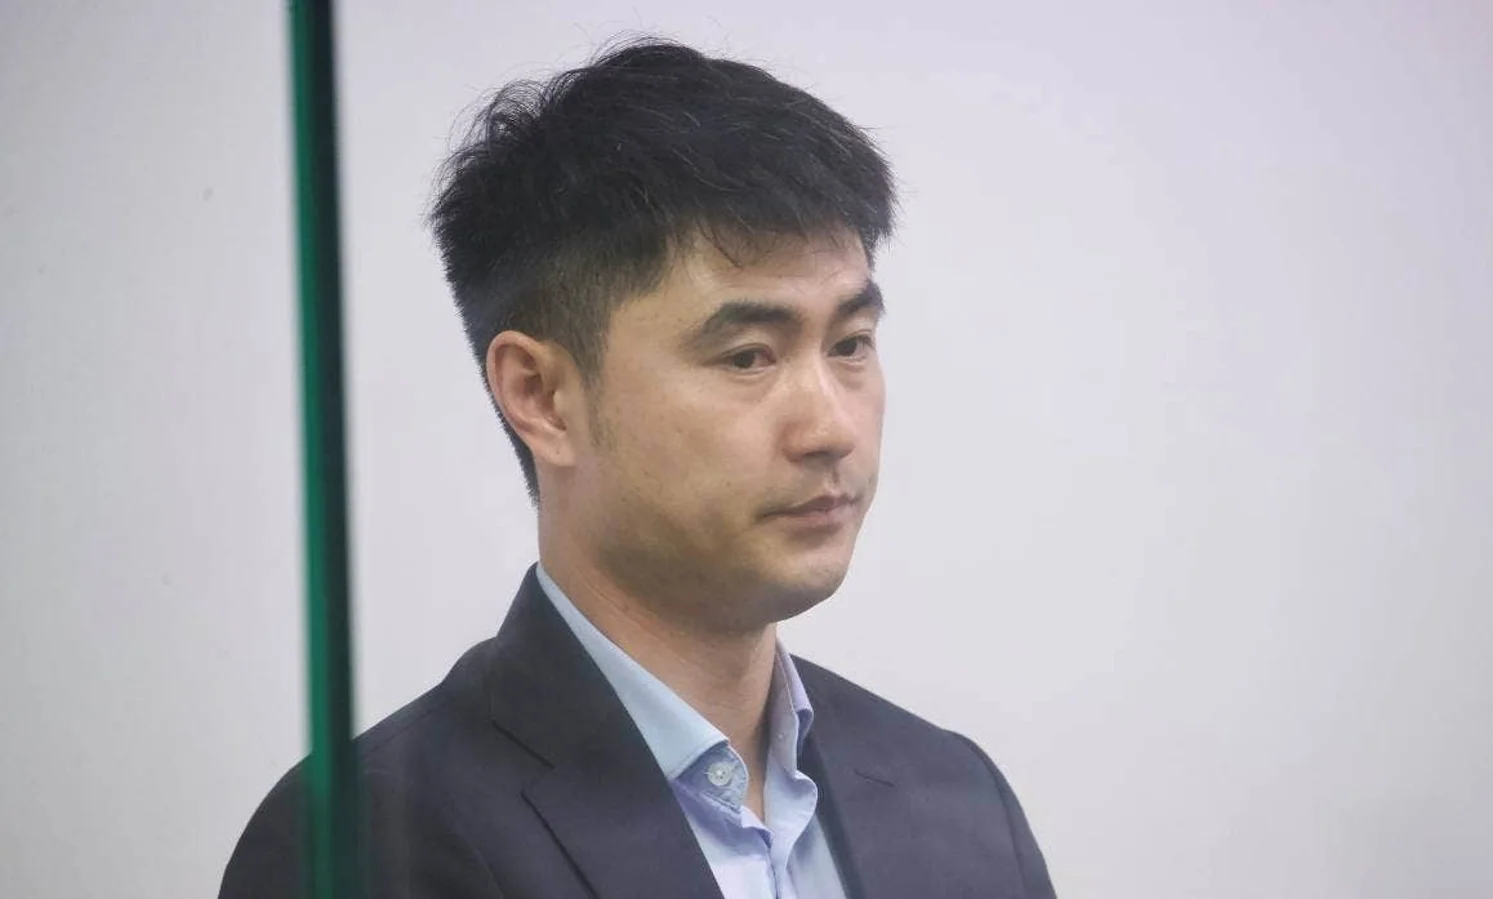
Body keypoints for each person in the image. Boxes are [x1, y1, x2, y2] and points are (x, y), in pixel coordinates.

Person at [221, 38, 1055, 899]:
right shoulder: (374, 842)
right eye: (747, 356)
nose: (831, 427)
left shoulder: (956, 797)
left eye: (849, 344)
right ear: (541, 395)